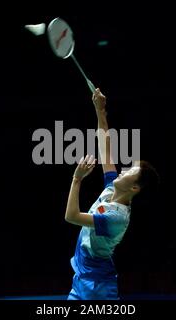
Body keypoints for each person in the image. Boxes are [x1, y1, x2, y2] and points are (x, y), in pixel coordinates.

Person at [65, 88, 160, 300]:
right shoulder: (112, 188)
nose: (123, 170)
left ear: (134, 188)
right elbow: (105, 146)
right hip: (83, 278)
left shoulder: (117, 219)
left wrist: (77, 179)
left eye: (130, 171)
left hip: (97, 288)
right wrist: (100, 110)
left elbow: (71, 216)